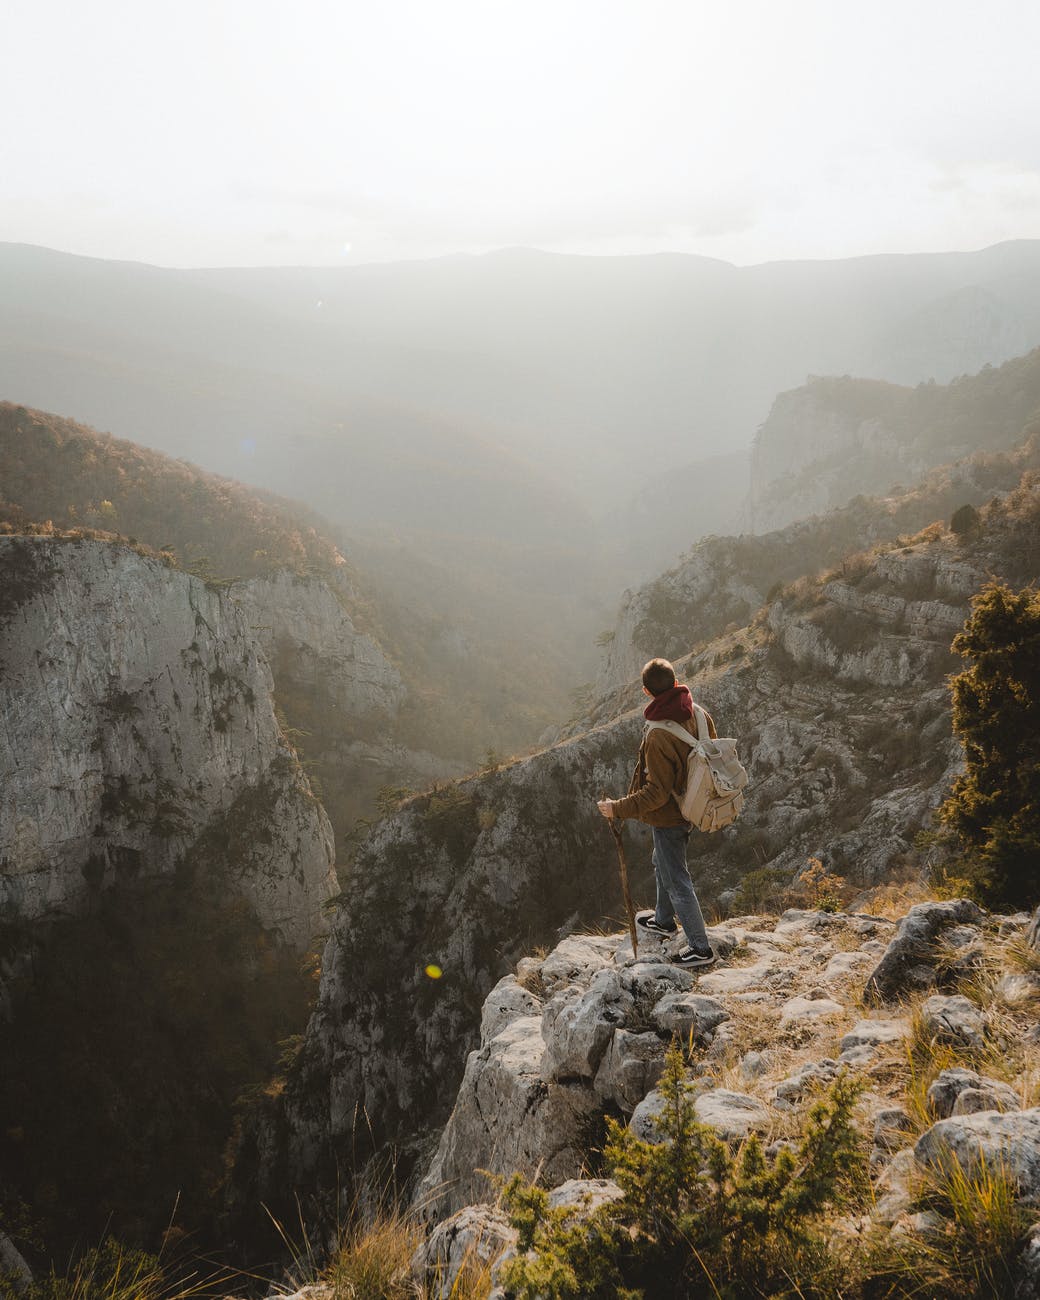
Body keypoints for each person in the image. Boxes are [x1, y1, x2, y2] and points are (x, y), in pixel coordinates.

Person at [597, 657, 717, 968]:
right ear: (675, 683)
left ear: (646, 692)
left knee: (677, 877)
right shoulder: (698, 713)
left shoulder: (658, 735)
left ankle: (700, 948)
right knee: (660, 861)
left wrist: (617, 809)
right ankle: (663, 920)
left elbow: (655, 793)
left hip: (671, 815)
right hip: (694, 805)